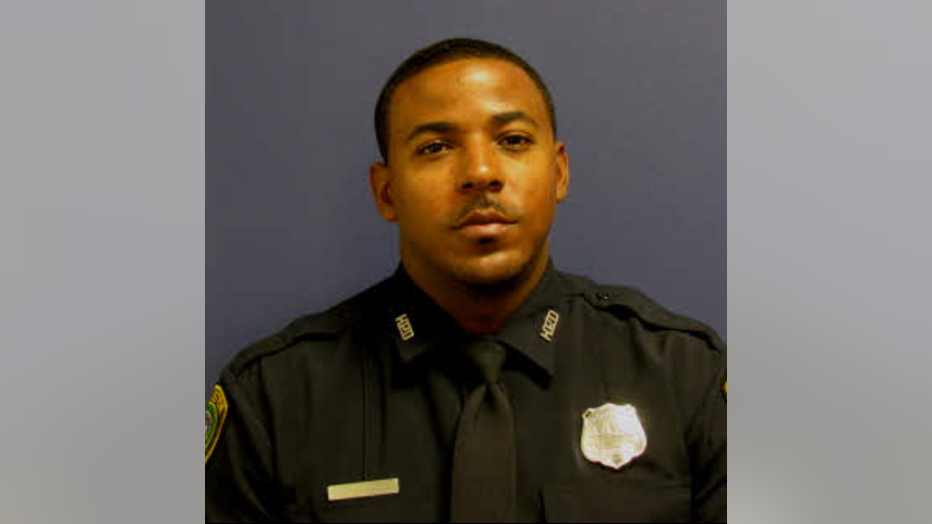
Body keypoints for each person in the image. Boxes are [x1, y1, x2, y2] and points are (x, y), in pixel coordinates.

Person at [205, 37, 726, 523]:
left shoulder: (684, 375)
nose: (480, 172)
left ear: (560, 172)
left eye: (513, 140)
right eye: (436, 147)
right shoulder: (272, 399)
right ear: (387, 193)